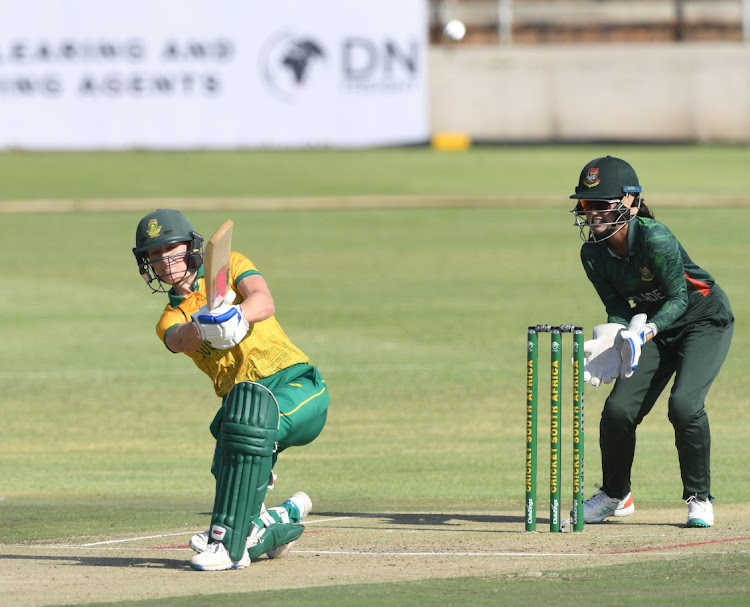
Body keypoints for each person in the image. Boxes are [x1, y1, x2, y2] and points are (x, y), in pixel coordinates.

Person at [132, 209, 330, 570]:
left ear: (191, 247)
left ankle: (227, 546)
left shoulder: (232, 266)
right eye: (155, 256)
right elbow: (179, 339)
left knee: (245, 428)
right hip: (242, 408)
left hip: (297, 387)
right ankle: (274, 525)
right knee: (228, 454)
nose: (164, 261)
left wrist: (237, 315)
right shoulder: (169, 317)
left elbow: (263, 299)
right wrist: (205, 324)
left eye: (171, 249)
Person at [569, 156, 734, 528]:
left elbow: (678, 298)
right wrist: (611, 335)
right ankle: (615, 494)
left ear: (629, 201)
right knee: (617, 412)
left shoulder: (655, 237)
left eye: (600, 204)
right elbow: (616, 307)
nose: (591, 214)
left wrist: (645, 331)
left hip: (702, 320)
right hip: (651, 327)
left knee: (684, 405)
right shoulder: (592, 254)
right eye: (585, 205)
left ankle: (699, 498)